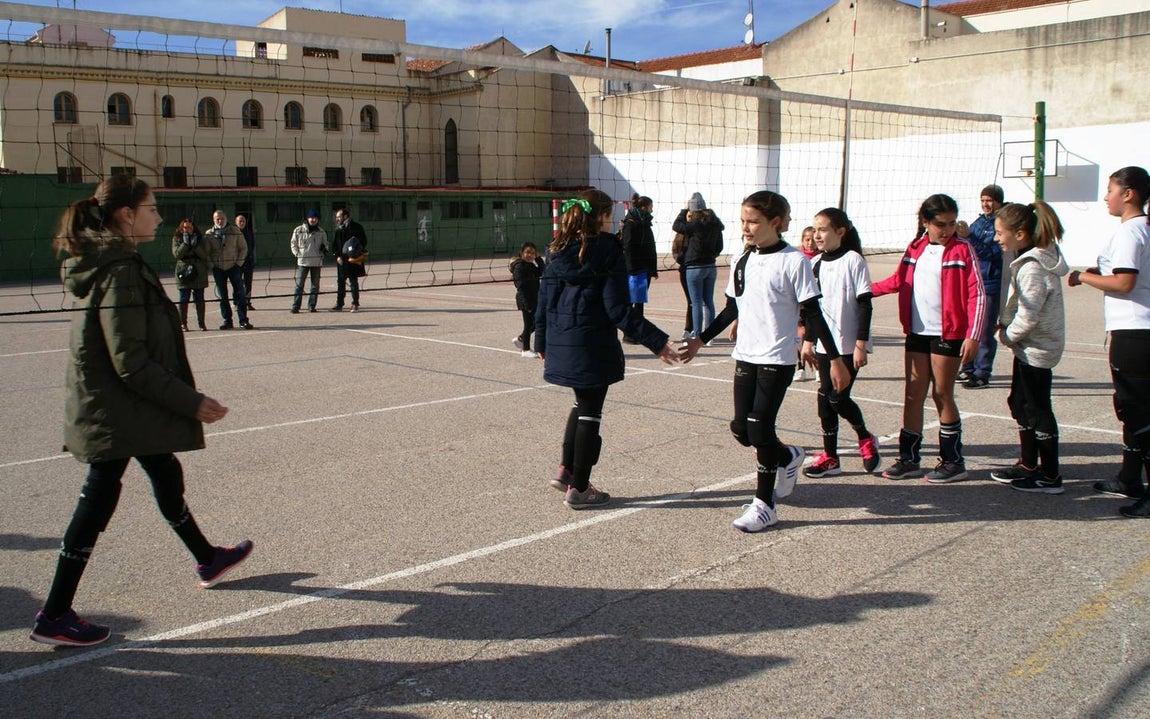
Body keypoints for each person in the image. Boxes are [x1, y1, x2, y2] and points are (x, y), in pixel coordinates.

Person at [29, 176, 252, 648]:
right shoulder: (118, 270)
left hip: (122, 406)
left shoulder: (113, 261)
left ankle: (207, 557)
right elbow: (128, 360)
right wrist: (192, 402)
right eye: (151, 207)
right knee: (98, 497)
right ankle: (55, 612)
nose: (159, 216)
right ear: (126, 214)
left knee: (164, 469)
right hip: (115, 408)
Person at [681, 190, 850, 532]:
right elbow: (732, 307)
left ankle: (764, 505)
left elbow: (814, 315)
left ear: (775, 223)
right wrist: (700, 340)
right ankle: (788, 457)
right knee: (741, 429)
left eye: (753, 221)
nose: (746, 227)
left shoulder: (794, 261)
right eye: (743, 220)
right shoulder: (742, 260)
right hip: (746, 354)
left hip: (777, 357)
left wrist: (835, 359)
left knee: (760, 427)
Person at [536, 189, 679, 509]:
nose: (614, 218)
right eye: (610, 213)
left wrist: (541, 341)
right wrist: (657, 342)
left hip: (562, 343)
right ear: (600, 216)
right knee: (589, 412)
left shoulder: (556, 250)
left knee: (581, 404)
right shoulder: (607, 251)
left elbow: (542, 304)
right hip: (591, 346)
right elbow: (618, 311)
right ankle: (580, 488)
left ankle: (566, 470)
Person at [872, 194, 986, 483]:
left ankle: (953, 461)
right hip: (917, 332)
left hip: (948, 333)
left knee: (941, 393)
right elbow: (898, 281)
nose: (946, 230)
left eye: (950, 223)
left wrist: (973, 336)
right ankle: (909, 459)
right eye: (939, 224)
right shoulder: (915, 248)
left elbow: (978, 294)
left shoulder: (963, 249)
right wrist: (862, 290)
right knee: (912, 394)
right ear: (925, 222)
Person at [1068, 166, 1150, 518]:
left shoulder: (1132, 232)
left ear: (1128, 193)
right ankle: (1129, 478)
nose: (1106, 197)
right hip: (1136, 330)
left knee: (1138, 411)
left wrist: (1082, 277)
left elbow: (1125, 283)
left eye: (1110, 190)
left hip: (1135, 333)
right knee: (1130, 410)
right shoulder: (1140, 230)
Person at [987, 201, 1069, 494]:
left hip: (1037, 349)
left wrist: (1007, 336)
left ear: (1020, 234)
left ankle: (1050, 476)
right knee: (1019, 403)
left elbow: (1029, 314)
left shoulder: (1033, 267)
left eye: (1000, 232)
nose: (996, 238)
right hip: (1028, 347)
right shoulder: (1029, 259)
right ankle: (1028, 464)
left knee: (1038, 408)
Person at [800, 208, 882, 478]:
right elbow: (812, 311)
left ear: (840, 232)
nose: (816, 235)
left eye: (823, 229)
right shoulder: (815, 264)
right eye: (814, 229)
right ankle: (831, 457)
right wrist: (808, 342)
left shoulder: (853, 260)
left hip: (848, 345)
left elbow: (865, 306)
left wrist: (861, 343)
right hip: (825, 345)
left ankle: (864, 436)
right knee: (825, 400)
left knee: (838, 398)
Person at [956, 184, 1005, 389]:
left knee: (984, 330)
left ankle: (982, 373)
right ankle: (967, 368)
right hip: (973, 284)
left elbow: (990, 253)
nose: (986, 204)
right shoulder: (978, 222)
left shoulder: (1001, 224)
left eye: (990, 200)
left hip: (990, 284)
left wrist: (969, 237)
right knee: (969, 328)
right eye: (983, 200)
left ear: (999, 202)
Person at [673, 192, 724, 340]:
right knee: (708, 301)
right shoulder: (715, 223)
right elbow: (719, 246)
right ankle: (710, 336)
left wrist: (683, 210)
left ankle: (698, 334)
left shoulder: (695, 224)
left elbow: (676, 226)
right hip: (711, 266)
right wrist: (712, 255)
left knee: (696, 303)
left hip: (694, 266)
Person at [204, 209, 252, 330]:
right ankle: (227, 320)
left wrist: (238, 264)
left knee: (240, 293)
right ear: (213, 220)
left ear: (226, 218)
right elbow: (206, 252)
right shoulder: (209, 234)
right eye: (217, 219)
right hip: (218, 268)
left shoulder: (234, 231)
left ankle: (243, 320)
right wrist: (212, 265)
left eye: (222, 218)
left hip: (233, 267)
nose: (220, 221)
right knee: (222, 296)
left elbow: (244, 248)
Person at [621, 194, 658, 343]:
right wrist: (631, 269)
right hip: (635, 270)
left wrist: (653, 269)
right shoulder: (631, 223)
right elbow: (628, 247)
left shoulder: (645, 222)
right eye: (650, 206)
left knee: (640, 302)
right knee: (631, 302)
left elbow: (651, 247)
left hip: (645, 269)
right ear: (643, 207)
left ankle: (638, 331)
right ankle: (629, 333)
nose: (652, 209)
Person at [172, 219, 211, 332]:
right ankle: (183, 323)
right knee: (184, 299)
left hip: (199, 271)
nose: (187, 230)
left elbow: (204, 255)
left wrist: (195, 246)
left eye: (189, 227)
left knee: (199, 299)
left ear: (193, 228)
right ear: (181, 228)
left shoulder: (200, 239)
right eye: (185, 227)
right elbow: (177, 254)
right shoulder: (176, 239)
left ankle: (201, 323)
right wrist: (185, 244)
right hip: (183, 271)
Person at [289, 208, 328, 314]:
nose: (313, 220)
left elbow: (326, 244)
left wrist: (324, 250)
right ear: (307, 218)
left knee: (315, 286)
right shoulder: (298, 230)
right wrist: (297, 253)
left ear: (318, 219)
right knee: (299, 285)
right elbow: (293, 243)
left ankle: (311, 305)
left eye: (315, 218)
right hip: (303, 262)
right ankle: (295, 306)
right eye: (311, 218)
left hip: (316, 262)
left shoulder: (321, 231)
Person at [510, 241, 544, 358]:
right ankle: (525, 349)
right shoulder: (519, 267)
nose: (530, 255)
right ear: (522, 253)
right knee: (529, 324)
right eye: (527, 252)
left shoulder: (532, 266)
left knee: (535, 323)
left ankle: (520, 339)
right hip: (525, 299)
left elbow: (542, 271)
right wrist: (526, 303)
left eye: (533, 253)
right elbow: (520, 286)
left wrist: (539, 259)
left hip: (534, 298)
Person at [331, 208, 368, 312]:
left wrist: (355, 252)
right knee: (341, 282)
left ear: (345, 216)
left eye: (339, 217)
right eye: (336, 217)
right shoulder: (338, 230)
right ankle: (339, 304)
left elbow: (364, 242)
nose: (337, 219)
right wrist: (337, 256)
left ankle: (355, 303)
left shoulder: (357, 227)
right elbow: (335, 246)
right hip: (341, 261)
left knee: (353, 282)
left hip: (353, 260)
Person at [671, 230, 693, 340]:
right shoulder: (680, 234)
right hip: (686, 268)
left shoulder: (698, 231)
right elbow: (675, 251)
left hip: (698, 267)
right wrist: (682, 261)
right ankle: (690, 329)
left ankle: (695, 329)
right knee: (692, 301)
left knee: (701, 301)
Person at [236, 214, 256, 312]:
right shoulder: (234, 233)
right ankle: (237, 303)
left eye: (243, 221)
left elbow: (252, 246)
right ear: (236, 223)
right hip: (238, 263)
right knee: (237, 283)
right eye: (240, 221)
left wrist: (251, 258)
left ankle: (248, 302)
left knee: (248, 284)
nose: (242, 222)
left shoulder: (249, 232)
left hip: (248, 262)